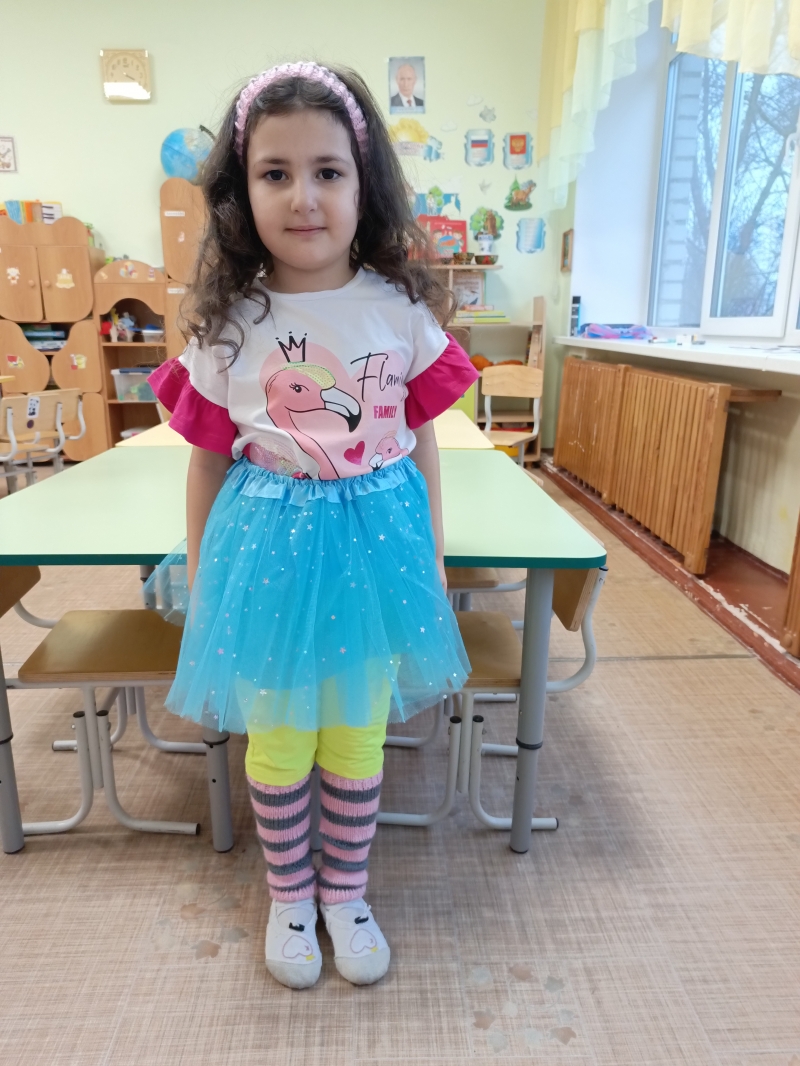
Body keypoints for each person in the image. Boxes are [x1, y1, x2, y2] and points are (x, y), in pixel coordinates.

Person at [149, 61, 477, 990]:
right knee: (282, 738)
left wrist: (433, 556)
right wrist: (205, 572)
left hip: (376, 554)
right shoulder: (230, 322)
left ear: (363, 185)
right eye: (275, 172)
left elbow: (421, 440)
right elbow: (207, 460)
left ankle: (347, 894)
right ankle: (290, 895)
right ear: (240, 191)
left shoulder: (399, 310)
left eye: (328, 171)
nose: (303, 196)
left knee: (357, 737)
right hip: (268, 556)